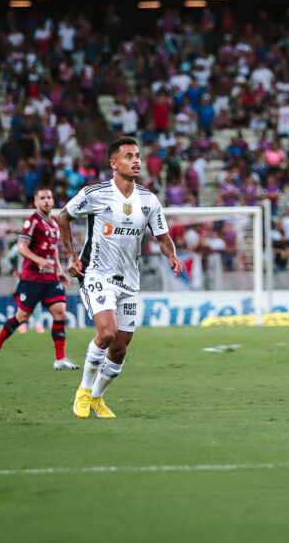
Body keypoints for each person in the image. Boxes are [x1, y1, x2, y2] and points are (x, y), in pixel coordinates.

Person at [58, 137, 183, 419]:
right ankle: (83, 392)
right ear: (114, 163)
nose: (136, 160)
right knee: (107, 333)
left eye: (138, 155)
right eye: (129, 156)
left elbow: (162, 237)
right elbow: (63, 217)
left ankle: (98, 398)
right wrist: (71, 256)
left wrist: (171, 255)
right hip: (96, 273)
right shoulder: (95, 193)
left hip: (130, 280)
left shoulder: (149, 200)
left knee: (120, 349)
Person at [0, 187, 79, 371]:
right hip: (32, 279)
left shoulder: (53, 222)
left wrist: (59, 270)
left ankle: (60, 358)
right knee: (22, 317)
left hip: (50, 278)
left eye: (49, 197)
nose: (46, 201)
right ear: (35, 202)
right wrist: (38, 260)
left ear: (53, 201)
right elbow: (21, 247)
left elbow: (52, 250)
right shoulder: (32, 222)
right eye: (42, 198)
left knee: (60, 311)